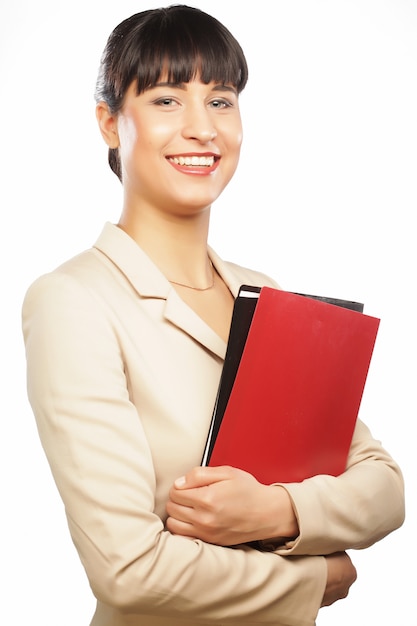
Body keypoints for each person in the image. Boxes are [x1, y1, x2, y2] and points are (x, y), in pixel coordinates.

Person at [22, 5, 405, 626]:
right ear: (110, 124)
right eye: (168, 100)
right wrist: (317, 574)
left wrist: (276, 511)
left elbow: (384, 487)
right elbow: (129, 570)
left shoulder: (263, 293)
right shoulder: (74, 300)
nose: (203, 129)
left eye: (221, 100)